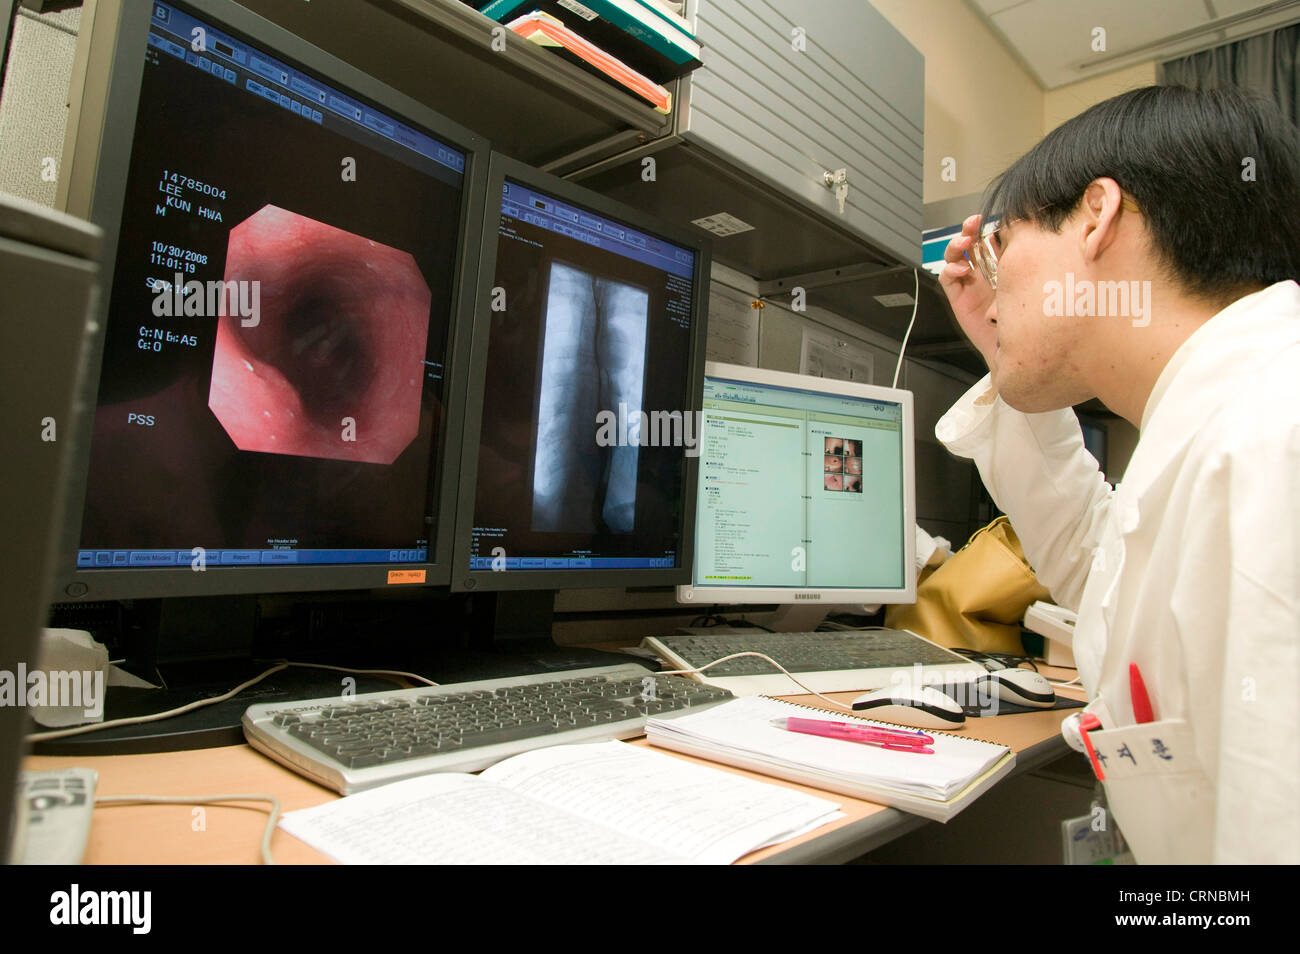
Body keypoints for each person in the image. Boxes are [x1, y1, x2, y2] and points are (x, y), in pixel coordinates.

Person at [935, 85, 1299, 864]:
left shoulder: (1275, 438)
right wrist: (1002, 351)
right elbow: (1106, 570)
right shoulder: (1220, 428)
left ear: (1096, 215)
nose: (993, 287)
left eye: (1003, 247)